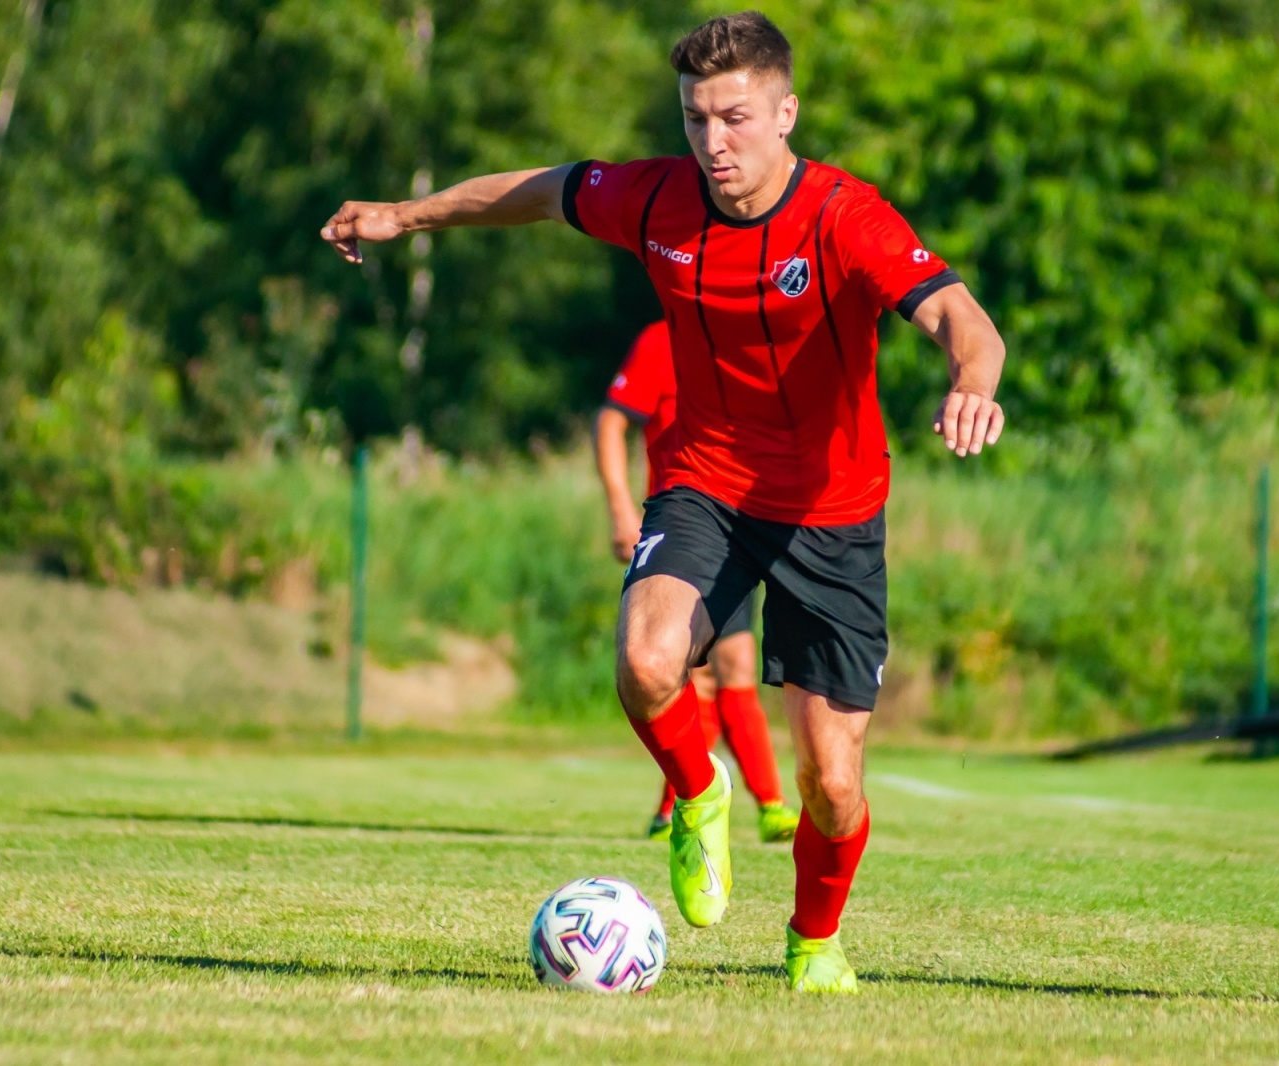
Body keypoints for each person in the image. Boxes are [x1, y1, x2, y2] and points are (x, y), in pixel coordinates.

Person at [322, 11, 1006, 993]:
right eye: (695, 119)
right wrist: (405, 213)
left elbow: (956, 313)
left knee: (833, 781)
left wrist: (971, 380)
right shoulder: (655, 199)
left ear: (783, 112)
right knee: (646, 660)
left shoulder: (845, 217)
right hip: (706, 481)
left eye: (733, 118)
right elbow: (538, 191)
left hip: (833, 509)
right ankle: (698, 791)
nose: (713, 143)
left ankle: (814, 940)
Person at [594, 319, 801, 843]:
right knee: (693, 671)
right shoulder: (661, 340)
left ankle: (766, 804)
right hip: (681, 525)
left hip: (738, 524)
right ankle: (681, 806)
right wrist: (620, 510)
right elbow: (612, 422)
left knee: (732, 666)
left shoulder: (755, 339)